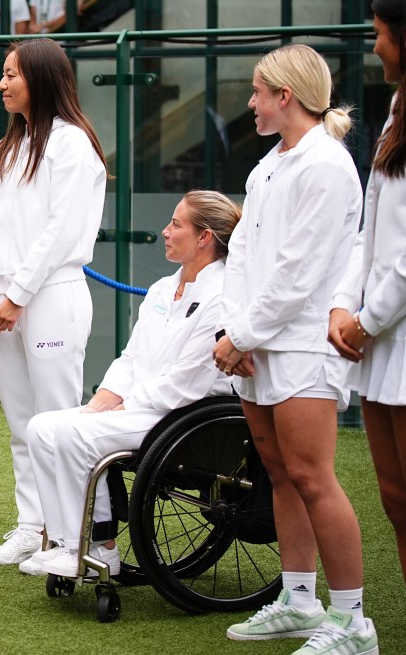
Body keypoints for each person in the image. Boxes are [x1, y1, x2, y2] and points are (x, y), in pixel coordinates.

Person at [213, 44, 378, 655]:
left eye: (258, 92)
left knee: (312, 475)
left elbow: (298, 272)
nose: (251, 103)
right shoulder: (266, 167)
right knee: (280, 473)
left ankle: (355, 623)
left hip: (305, 346)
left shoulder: (328, 167)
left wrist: (240, 336)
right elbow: (246, 259)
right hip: (259, 346)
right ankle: (300, 602)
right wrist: (235, 333)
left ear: (285, 96)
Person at [24, 191, 238, 578]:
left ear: (204, 237)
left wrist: (126, 406)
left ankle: (98, 549)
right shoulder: (160, 290)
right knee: (41, 428)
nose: (166, 231)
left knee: (76, 434)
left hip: (185, 417)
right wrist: (104, 400)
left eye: (176, 224)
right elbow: (132, 357)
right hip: (146, 408)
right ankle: (64, 543)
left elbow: (189, 380)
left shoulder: (222, 296)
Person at [0, 38, 107, 566]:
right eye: (2, 74)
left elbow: (60, 231)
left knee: (58, 419)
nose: (1, 83)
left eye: (11, 75)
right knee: (21, 421)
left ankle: (76, 537)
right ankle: (33, 527)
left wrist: (18, 296)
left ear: (42, 79)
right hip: (6, 298)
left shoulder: (72, 145)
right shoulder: (7, 150)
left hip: (51, 295)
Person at [330, 0, 406, 587]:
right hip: (382, 338)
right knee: (394, 496)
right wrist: (344, 305)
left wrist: (367, 318)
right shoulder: (398, 107)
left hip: (388, 330)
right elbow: (371, 228)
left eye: (380, 34)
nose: (375, 46)